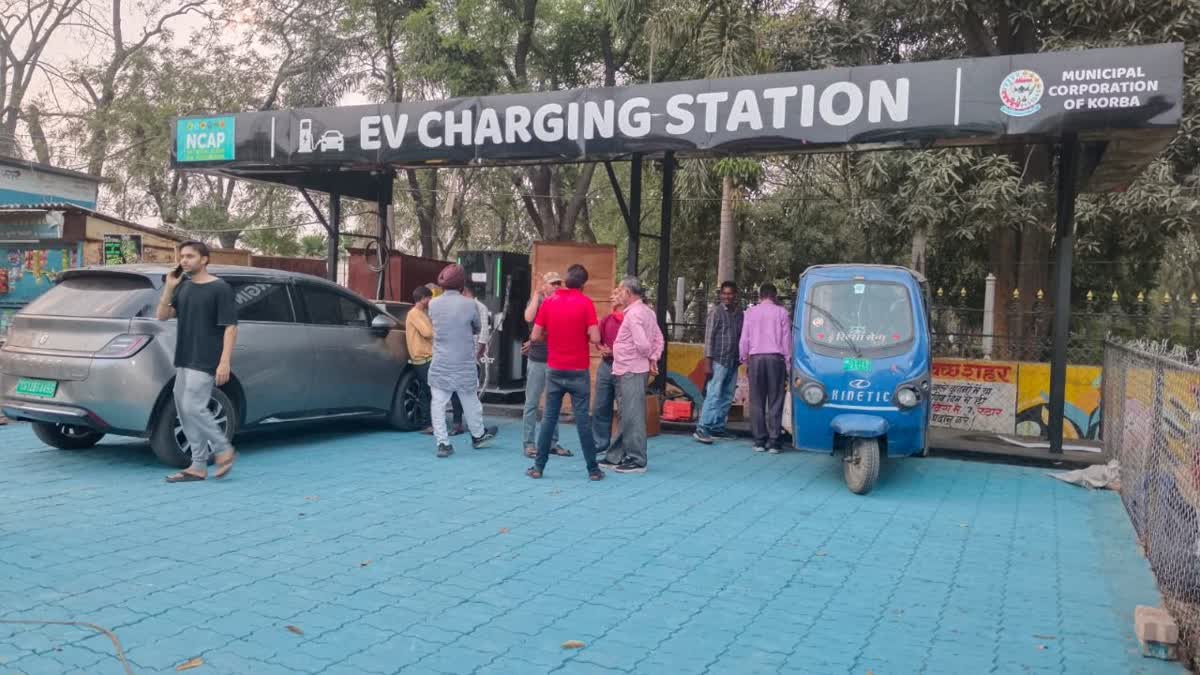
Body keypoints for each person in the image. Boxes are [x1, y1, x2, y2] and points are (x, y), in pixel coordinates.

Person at [156, 241, 238, 482]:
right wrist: (169, 287)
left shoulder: (220, 288)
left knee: (193, 406)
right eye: (182, 256)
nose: (184, 260)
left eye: (190, 256)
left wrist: (224, 362)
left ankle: (223, 448)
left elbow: (230, 327)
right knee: (184, 410)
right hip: (184, 357)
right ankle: (198, 466)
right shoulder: (183, 287)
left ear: (204, 259)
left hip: (206, 357)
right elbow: (162, 316)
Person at [526, 264, 604, 481]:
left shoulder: (549, 302)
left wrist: (550, 335)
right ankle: (593, 470)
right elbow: (596, 338)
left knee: (549, 419)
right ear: (583, 284)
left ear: (566, 280)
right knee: (583, 421)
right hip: (578, 370)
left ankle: (538, 467)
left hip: (555, 368)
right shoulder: (586, 303)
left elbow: (534, 336)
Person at [428, 264, 497, 457]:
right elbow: (477, 327)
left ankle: (443, 444)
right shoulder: (469, 304)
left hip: (440, 362)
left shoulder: (433, 304)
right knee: (471, 401)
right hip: (463, 363)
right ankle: (478, 435)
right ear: (461, 284)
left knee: (438, 403)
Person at [600, 277, 663, 474]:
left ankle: (637, 459)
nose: (618, 294)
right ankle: (616, 455)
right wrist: (653, 358)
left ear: (628, 292)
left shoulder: (634, 314)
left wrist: (649, 357)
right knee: (627, 413)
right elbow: (658, 338)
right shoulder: (647, 312)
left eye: (620, 290)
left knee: (632, 414)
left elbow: (643, 344)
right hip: (631, 368)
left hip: (631, 368)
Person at [521, 272, 571, 459]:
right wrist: (536, 294)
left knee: (554, 403)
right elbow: (528, 317)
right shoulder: (538, 301)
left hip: (556, 358)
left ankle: (552, 443)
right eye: (552, 283)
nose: (557, 286)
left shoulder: (563, 302)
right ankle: (529, 443)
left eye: (558, 283)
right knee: (532, 402)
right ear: (544, 286)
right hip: (538, 358)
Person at [740, 283, 792, 454]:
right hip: (776, 359)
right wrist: (788, 363)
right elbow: (786, 341)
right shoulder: (782, 313)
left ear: (760, 296)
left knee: (757, 401)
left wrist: (745, 360)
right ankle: (774, 441)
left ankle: (759, 441)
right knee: (776, 400)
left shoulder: (750, 312)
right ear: (775, 296)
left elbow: (744, 339)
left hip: (756, 359)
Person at [694, 281, 744, 444]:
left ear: (735, 295)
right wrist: (708, 363)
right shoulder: (716, 312)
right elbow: (709, 338)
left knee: (728, 396)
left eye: (730, 294)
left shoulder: (739, 314)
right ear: (721, 295)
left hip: (733, 360)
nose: (727, 297)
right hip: (718, 361)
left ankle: (717, 427)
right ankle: (702, 428)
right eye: (724, 293)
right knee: (714, 394)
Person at [591, 286, 625, 457]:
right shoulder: (606, 319)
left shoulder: (631, 319)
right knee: (600, 405)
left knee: (624, 408)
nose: (612, 297)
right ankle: (600, 443)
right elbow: (598, 340)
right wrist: (601, 348)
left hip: (624, 367)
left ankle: (621, 446)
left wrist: (615, 352)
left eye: (616, 294)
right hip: (606, 365)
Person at [406, 286, 435, 429]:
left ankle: (427, 423)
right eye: (429, 298)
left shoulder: (422, 313)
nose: (431, 301)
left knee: (427, 390)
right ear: (423, 298)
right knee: (428, 391)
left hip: (428, 357)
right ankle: (427, 423)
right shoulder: (414, 314)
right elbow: (427, 332)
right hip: (422, 358)